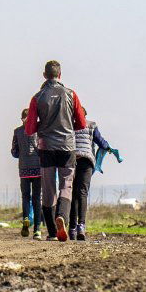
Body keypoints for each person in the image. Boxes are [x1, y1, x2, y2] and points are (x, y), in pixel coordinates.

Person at [25, 60, 86, 242]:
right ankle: (62, 217)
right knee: (66, 185)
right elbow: (82, 123)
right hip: (67, 146)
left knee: (48, 188)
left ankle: (52, 231)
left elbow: (29, 129)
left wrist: (43, 125)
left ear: (44, 75)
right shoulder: (71, 94)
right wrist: (67, 126)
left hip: (46, 147)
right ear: (60, 75)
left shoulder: (37, 97)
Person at [68, 112, 114, 241]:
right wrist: (108, 148)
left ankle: (72, 229)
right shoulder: (91, 125)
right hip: (86, 161)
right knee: (82, 193)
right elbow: (101, 142)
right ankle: (81, 226)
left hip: (70, 161)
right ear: (85, 115)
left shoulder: (68, 125)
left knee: (71, 193)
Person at [12, 108, 43, 239]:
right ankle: (37, 229)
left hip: (24, 168)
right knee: (36, 199)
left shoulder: (17, 131)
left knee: (26, 196)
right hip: (37, 168)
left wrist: (22, 154)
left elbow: (14, 152)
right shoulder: (39, 130)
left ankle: (25, 217)